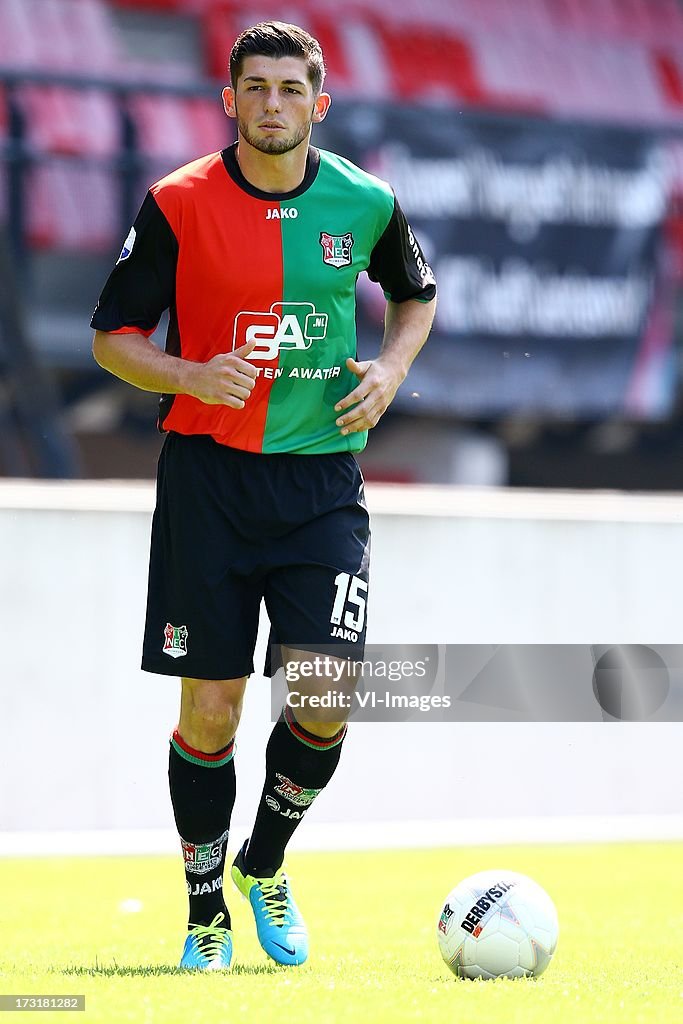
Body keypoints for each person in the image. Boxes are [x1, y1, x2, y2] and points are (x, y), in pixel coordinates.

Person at [91, 20, 436, 972]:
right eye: (256, 88)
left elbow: (415, 294)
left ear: (318, 104)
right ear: (230, 99)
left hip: (322, 480)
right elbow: (110, 336)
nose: (273, 104)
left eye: (291, 89)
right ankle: (205, 912)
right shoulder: (177, 202)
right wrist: (188, 375)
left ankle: (263, 863)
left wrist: (392, 368)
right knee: (212, 713)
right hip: (207, 481)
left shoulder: (364, 202)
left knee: (325, 695)